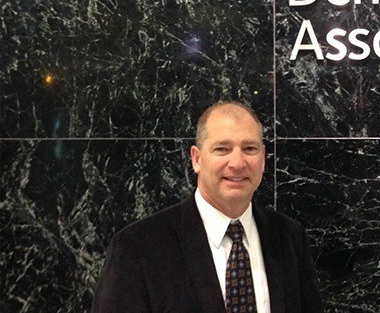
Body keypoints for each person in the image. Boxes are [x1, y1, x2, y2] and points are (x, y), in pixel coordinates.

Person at [91, 101, 323, 312]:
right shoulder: (138, 247)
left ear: (263, 158)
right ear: (197, 158)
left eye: (249, 149)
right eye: (222, 149)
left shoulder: (289, 237)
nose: (237, 163)